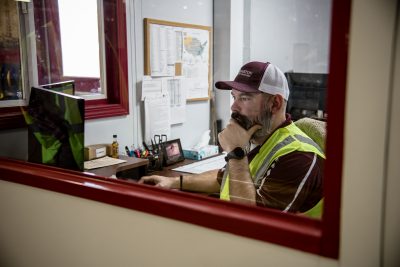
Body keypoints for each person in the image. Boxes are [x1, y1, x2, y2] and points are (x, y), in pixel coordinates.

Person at [139, 61, 325, 214]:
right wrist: (173, 182)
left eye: (244, 98)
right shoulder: (260, 138)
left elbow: (253, 224)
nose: (233, 107)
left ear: (275, 104)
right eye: (234, 97)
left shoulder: (299, 157)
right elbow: (223, 178)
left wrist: (236, 153)